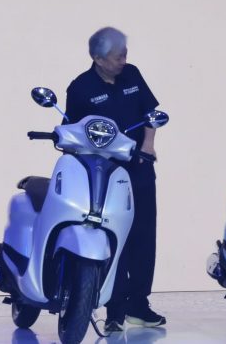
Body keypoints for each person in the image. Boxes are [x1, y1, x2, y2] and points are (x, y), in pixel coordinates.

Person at [64, 27, 166, 332]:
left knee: (143, 235)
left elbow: (151, 113)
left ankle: (139, 305)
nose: (123, 61)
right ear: (98, 59)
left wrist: (148, 145)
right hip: (105, 173)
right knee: (113, 235)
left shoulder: (132, 74)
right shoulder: (80, 88)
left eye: (125, 54)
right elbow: (70, 134)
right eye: (117, 57)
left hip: (139, 166)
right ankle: (114, 308)